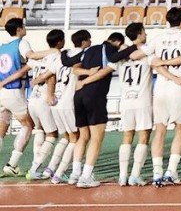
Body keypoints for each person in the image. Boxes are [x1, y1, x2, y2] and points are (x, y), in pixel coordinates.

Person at [62, 31, 126, 188]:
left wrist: (84, 76)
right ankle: (86, 176)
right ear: (118, 42)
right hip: (95, 95)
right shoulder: (111, 50)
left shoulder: (88, 50)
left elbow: (74, 68)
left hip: (78, 95)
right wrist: (88, 80)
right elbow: (104, 71)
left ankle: (75, 174)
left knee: (83, 136)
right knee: (97, 137)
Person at [144, 7, 181, 185]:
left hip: (161, 88)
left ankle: (157, 172)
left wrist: (164, 66)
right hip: (179, 88)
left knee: (159, 131)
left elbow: (152, 61)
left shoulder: (157, 38)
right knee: (180, 129)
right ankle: (171, 170)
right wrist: (175, 77)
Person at [105, 23, 153, 187]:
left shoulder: (120, 55)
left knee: (127, 137)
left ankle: (122, 176)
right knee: (143, 137)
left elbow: (106, 68)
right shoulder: (147, 51)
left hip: (126, 101)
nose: (146, 34)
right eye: (144, 32)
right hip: (142, 100)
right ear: (139, 34)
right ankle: (135, 175)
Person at [23, 30, 64, 182]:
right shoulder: (57, 56)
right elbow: (51, 76)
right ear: (60, 42)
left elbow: (30, 60)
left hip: (33, 98)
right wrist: (50, 95)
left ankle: (36, 165)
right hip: (43, 99)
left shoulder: (41, 57)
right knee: (52, 134)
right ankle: (35, 167)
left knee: (39, 130)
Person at [47, 30, 82, 184]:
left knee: (67, 137)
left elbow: (50, 76)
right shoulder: (82, 56)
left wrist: (49, 94)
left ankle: (51, 168)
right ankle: (60, 172)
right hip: (68, 103)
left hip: (57, 102)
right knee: (76, 138)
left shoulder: (61, 57)